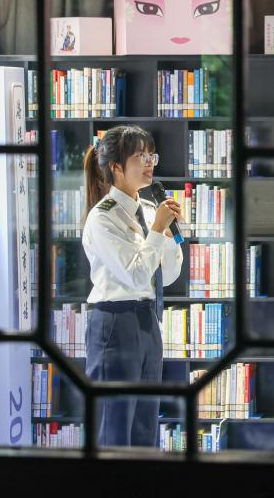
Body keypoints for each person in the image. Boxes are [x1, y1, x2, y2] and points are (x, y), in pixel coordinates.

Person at [82, 125, 184, 447]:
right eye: (140, 156)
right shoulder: (103, 218)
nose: (149, 162)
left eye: (151, 155)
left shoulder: (151, 211)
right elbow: (136, 276)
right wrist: (157, 231)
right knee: (113, 429)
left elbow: (166, 277)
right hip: (114, 322)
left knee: (144, 427)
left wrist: (166, 235)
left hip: (147, 320)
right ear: (116, 166)